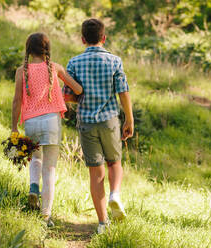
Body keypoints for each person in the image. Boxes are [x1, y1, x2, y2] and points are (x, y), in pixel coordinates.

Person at [63, 18, 134, 234]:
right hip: (110, 120)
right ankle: (115, 195)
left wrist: (84, 97)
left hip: (86, 122)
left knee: (96, 173)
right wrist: (129, 120)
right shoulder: (114, 61)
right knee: (114, 163)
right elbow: (123, 91)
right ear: (104, 38)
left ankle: (103, 223)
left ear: (83, 39)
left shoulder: (74, 63)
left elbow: (69, 96)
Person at [11, 32, 83, 227]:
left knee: (35, 158)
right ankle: (45, 216)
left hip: (31, 123)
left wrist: (13, 127)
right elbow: (77, 89)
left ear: (28, 50)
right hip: (51, 121)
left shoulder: (21, 71)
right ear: (47, 50)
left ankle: (33, 188)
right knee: (49, 168)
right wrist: (58, 90)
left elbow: (17, 101)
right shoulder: (55, 68)